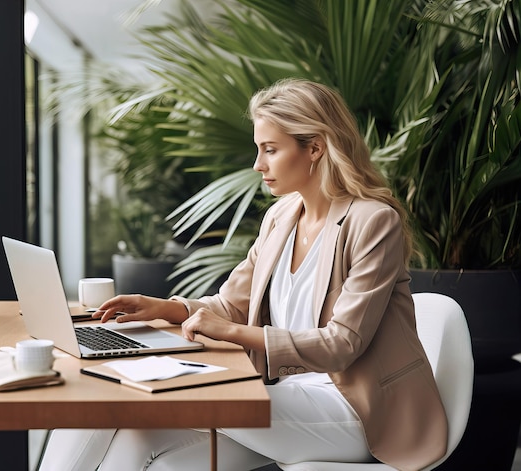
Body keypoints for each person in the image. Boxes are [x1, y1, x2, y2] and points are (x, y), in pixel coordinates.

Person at [39, 78, 448, 471]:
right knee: (136, 443)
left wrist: (229, 332)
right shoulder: (281, 216)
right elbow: (229, 304)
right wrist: (163, 307)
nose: (258, 165)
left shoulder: (373, 222)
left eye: (270, 149)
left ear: (315, 148)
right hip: (283, 395)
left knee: (121, 396)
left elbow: (342, 344)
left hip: (351, 408)